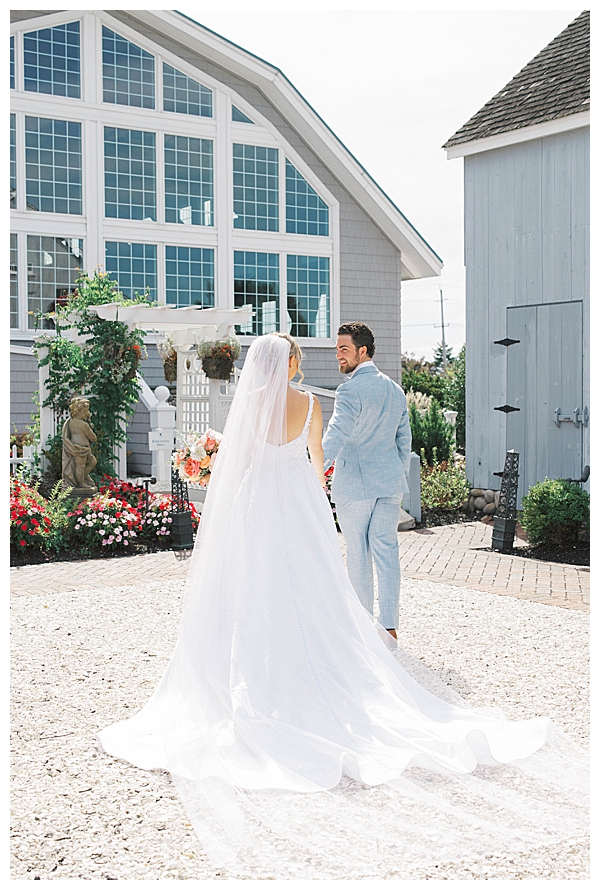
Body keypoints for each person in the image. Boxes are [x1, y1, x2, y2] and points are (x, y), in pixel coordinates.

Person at [98, 333, 587, 877]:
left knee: (255, 586)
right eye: (299, 356)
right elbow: (316, 464)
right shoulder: (309, 403)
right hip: (301, 508)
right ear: (291, 362)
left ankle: (259, 664)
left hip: (258, 509)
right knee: (314, 587)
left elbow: (238, 466)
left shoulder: (249, 405)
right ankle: (336, 651)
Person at [323, 322, 410, 637]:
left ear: (363, 350)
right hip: (389, 483)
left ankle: (362, 626)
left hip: (355, 485)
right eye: (337, 349)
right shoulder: (395, 389)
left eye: (344, 349)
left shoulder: (349, 389)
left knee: (359, 552)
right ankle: (389, 626)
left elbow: (337, 433)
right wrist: (397, 474)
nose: (338, 355)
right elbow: (404, 442)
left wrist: (313, 469)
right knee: (386, 551)